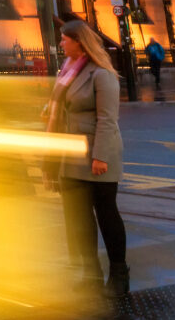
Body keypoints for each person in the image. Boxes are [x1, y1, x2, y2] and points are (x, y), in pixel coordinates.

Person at [49, 19, 128, 297]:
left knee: (106, 215)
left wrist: (101, 156)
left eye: (65, 39)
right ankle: (90, 273)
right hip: (70, 154)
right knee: (77, 218)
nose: (61, 44)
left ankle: (119, 274)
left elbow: (107, 119)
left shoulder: (101, 74)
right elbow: (60, 105)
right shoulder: (67, 71)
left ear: (80, 43)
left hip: (97, 154)